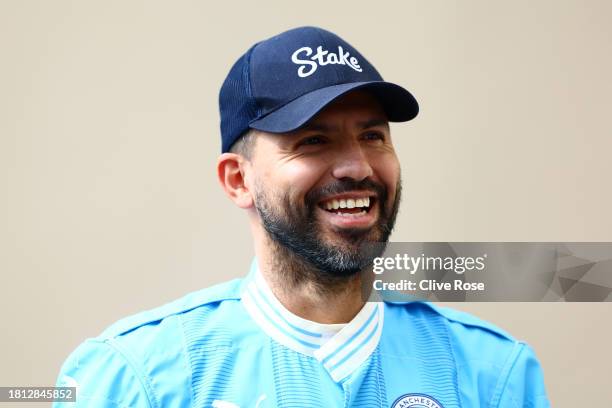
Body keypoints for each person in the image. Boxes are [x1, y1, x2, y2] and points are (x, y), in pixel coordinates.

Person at [54, 26, 550, 407]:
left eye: (373, 136)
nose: (358, 166)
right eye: (313, 140)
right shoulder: (134, 377)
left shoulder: (493, 374)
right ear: (238, 180)